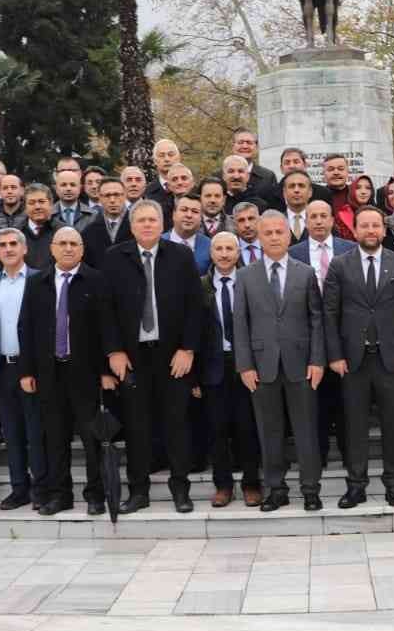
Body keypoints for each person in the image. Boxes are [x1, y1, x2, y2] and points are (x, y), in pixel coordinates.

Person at [102, 200, 206, 513]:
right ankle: (138, 491)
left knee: (177, 424)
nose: (147, 225)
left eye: (152, 220)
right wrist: (114, 351)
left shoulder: (180, 256)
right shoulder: (114, 258)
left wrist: (187, 348)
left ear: (162, 225)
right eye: (141, 220)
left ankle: (180, 489)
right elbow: (105, 311)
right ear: (132, 226)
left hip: (172, 355)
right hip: (132, 358)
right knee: (137, 426)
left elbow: (195, 307)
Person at [323, 206, 394, 508]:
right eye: (364, 226)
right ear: (354, 231)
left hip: (391, 360)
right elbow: (330, 314)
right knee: (354, 428)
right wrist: (335, 355)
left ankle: (393, 484)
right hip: (353, 362)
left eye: (375, 226)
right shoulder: (340, 266)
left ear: (383, 230)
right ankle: (356, 486)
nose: (370, 231)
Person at [18, 226, 118, 515]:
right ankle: (60, 495)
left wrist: (105, 370)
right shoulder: (38, 283)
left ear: (82, 249)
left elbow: (106, 328)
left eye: (74, 243)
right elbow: (26, 328)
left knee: (92, 439)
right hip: (50, 373)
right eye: (61, 243)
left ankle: (95, 495)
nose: (68, 248)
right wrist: (26, 371)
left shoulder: (96, 281)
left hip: (86, 374)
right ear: (52, 248)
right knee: (55, 438)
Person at [233, 210, 326, 512]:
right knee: (269, 430)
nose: (274, 237)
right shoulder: (246, 275)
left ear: (289, 235)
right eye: (268, 233)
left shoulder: (305, 272)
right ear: (259, 237)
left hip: (301, 364)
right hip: (262, 367)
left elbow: (316, 320)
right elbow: (240, 323)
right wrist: (244, 365)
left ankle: (311, 489)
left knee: (306, 430)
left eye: (279, 232)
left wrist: (317, 360)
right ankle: (276, 489)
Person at [0, 228, 43, 510]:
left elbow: (44, 330)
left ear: (24, 248)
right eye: (2, 245)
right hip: (2, 368)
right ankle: (19, 488)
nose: (8, 249)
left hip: (32, 369)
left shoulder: (41, 280)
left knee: (36, 431)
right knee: (12, 432)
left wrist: (36, 369)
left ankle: (41, 487)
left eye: (14, 243)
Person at [196, 231, 262, 507]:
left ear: (238, 253)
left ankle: (251, 483)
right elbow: (193, 332)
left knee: (247, 427)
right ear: (211, 253)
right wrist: (194, 377)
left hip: (247, 365)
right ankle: (223, 485)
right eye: (218, 249)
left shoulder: (252, 282)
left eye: (229, 249)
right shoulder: (199, 286)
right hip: (213, 367)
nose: (224, 254)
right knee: (217, 429)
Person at [290, 199, 355, 465]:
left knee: (346, 402)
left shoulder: (350, 250)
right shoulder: (293, 253)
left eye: (323, 216)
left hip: (345, 337)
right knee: (313, 403)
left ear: (332, 220)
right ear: (305, 221)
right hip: (308, 340)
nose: (318, 221)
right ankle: (318, 457)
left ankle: (350, 455)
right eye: (312, 216)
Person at [82, 175, 132, 267]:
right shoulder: (89, 232)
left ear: (125, 195)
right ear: (100, 198)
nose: (112, 200)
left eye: (116, 195)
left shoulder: (137, 227)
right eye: (107, 195)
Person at [164, 193, 211, 272]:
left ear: (201, 218)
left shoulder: (209, 246)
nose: (189, 215)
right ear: (174, 214)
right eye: (184, 210)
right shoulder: (157, 243)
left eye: (195, 211)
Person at [20, 183, 58, 270]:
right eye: (31, 203)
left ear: (51, 204)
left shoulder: (63, 232)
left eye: (41, 201)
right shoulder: (16, 233)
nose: (37, 207)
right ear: (25, 207)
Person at [50, 162, 92, 230]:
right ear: (56, 188)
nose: (68, 189)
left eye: (73, 185)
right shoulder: (47, 215)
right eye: (63, 185)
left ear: (80, 188)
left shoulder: (92, 215)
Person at [333, 174, 376, 241]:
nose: (363, 192)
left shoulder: (378, 214)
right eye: (358, 188)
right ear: (352, 190)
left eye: (368, 188)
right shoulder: (342, 215)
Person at [281, 169, 316, 244]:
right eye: (291, 186)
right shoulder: (276, 221)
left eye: (301, 186)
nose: (296, 190)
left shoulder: (323, 221)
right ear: (284, 192)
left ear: (310, 192)